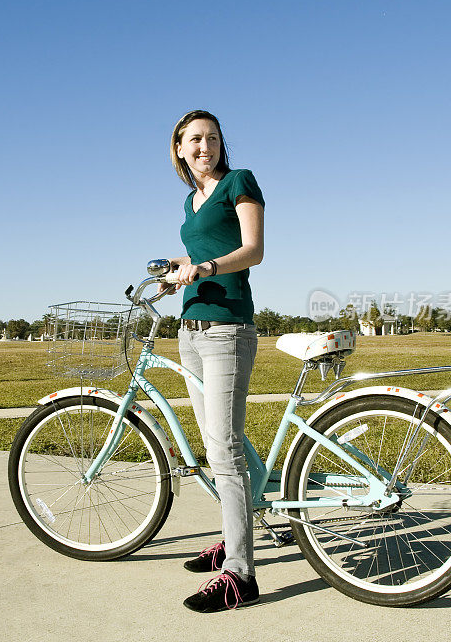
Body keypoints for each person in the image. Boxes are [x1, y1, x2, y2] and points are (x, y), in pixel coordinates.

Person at [163, 109, 265, 613]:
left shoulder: (237, 183)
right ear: (179, 149)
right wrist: (175, 270)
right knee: (218, 445)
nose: (206, 146)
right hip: (190, 329)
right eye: (195, 139)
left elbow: (251, 250)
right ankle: (236, 531)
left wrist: (202, 266)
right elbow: (200, 254)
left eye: (213, 137)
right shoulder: (190, 200)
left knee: (224, 451)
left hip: (228, 329)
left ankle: (240, 575)